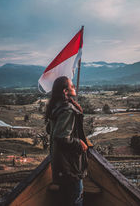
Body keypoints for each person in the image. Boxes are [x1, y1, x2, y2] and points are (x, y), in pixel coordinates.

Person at [45, 76, 88, 206]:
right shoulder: (67, 109)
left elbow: (50, 130)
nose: (74, 87)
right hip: (70, 166)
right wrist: (79, 143)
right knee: (76, 199)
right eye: (71, 85)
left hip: (60, 164)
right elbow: (62, 137)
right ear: (65, 91)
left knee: (66, 200)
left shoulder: (56, 107)